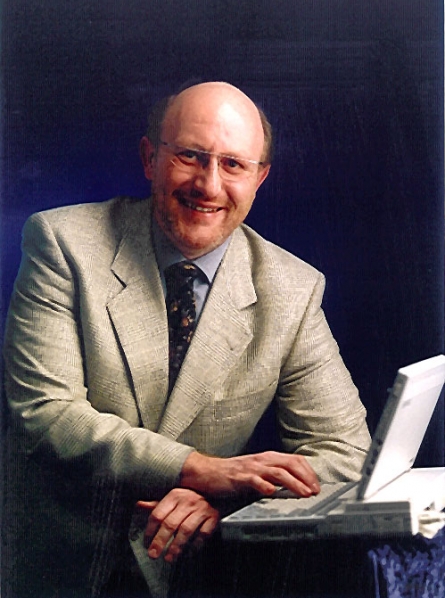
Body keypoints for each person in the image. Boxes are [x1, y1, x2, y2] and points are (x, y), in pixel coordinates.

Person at [2, 81, 371, 598]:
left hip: (199, 576)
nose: (209, 185)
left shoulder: (292, 288)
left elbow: (347, 453)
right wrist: (201, 471)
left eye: (234, 165)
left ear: (260, 178)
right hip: (61, 570)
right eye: (191, 156)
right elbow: (46, 414)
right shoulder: (62, 243)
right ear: (150, 158)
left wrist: (229, 499)